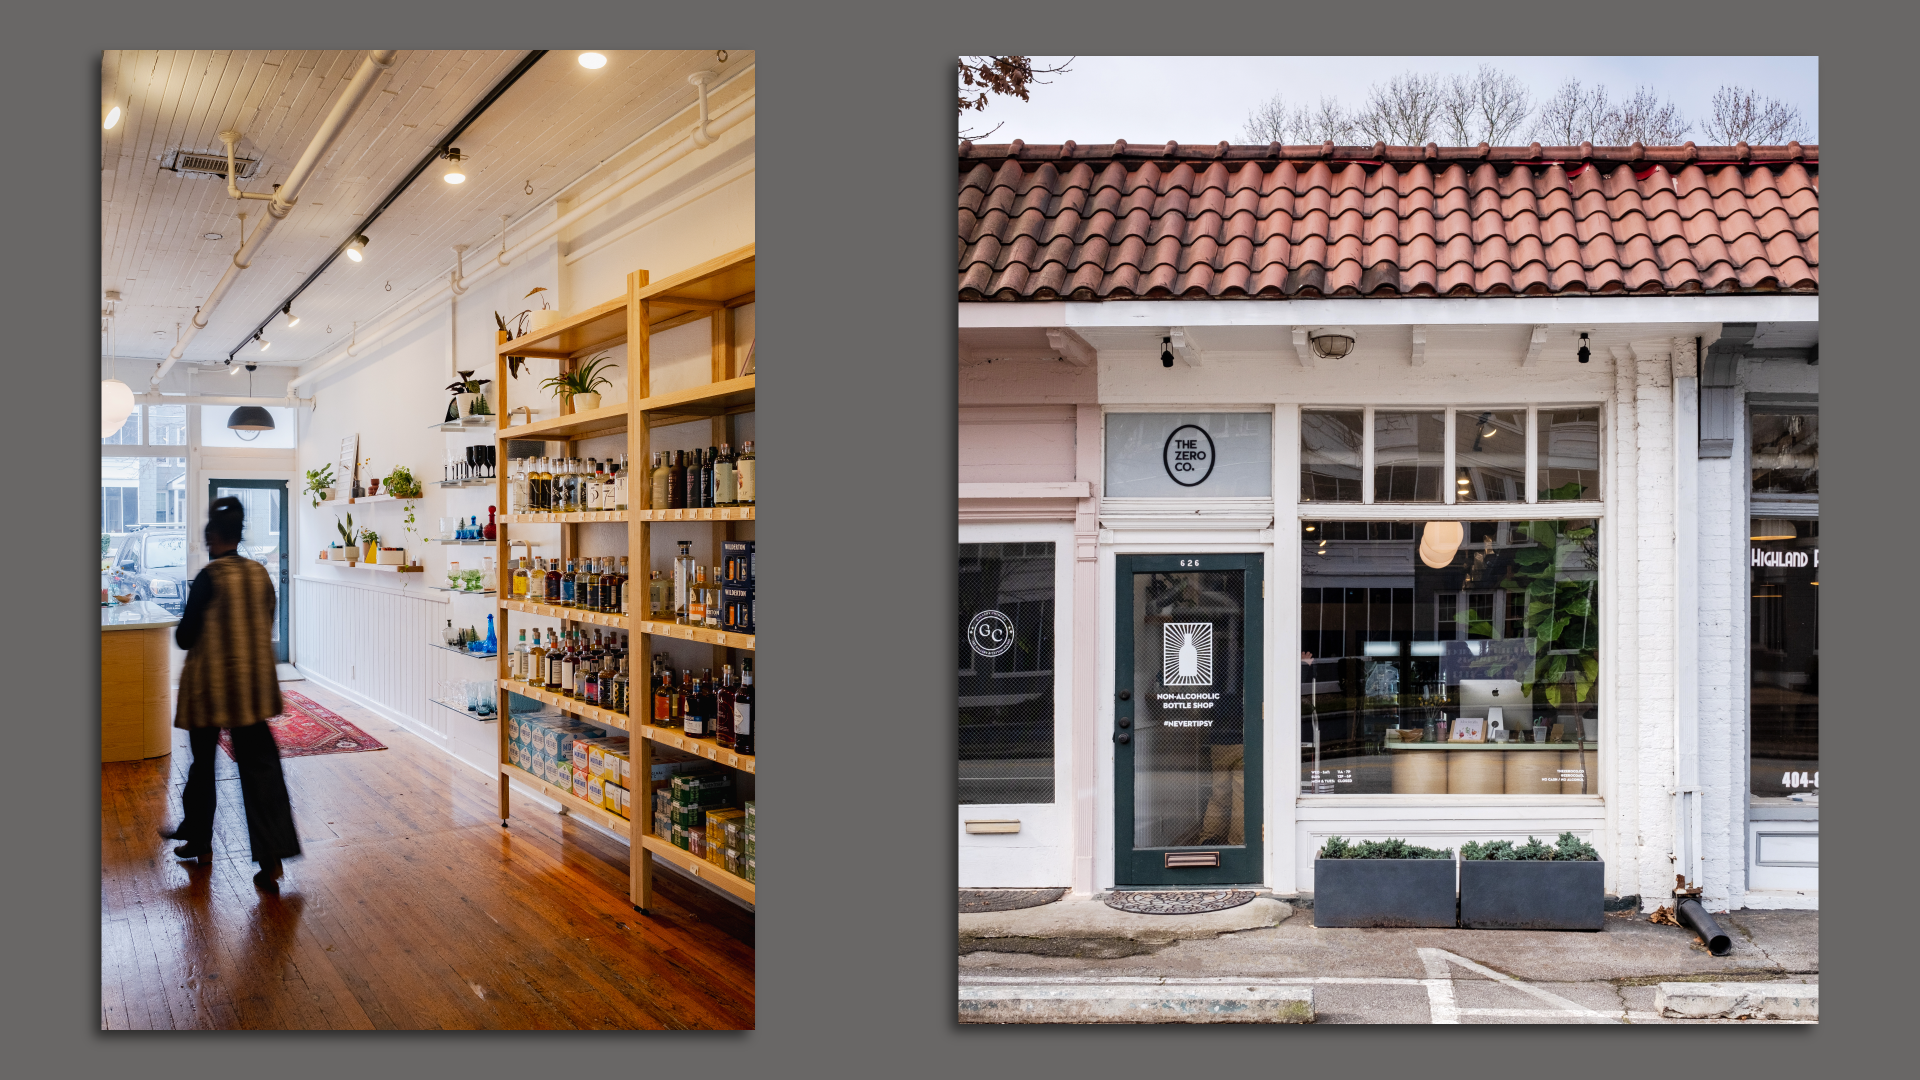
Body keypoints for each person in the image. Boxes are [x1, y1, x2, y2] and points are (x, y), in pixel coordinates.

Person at [160, 496, 300, 892]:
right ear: (239, 535)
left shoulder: (209, 576)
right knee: (261, 770)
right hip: (252, 687)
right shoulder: (259, 574)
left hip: (209, 687)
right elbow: (267, 620)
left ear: (211, 536)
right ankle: (271, 858)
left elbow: (185, 638)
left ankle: (200, 841)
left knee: (203, 765)